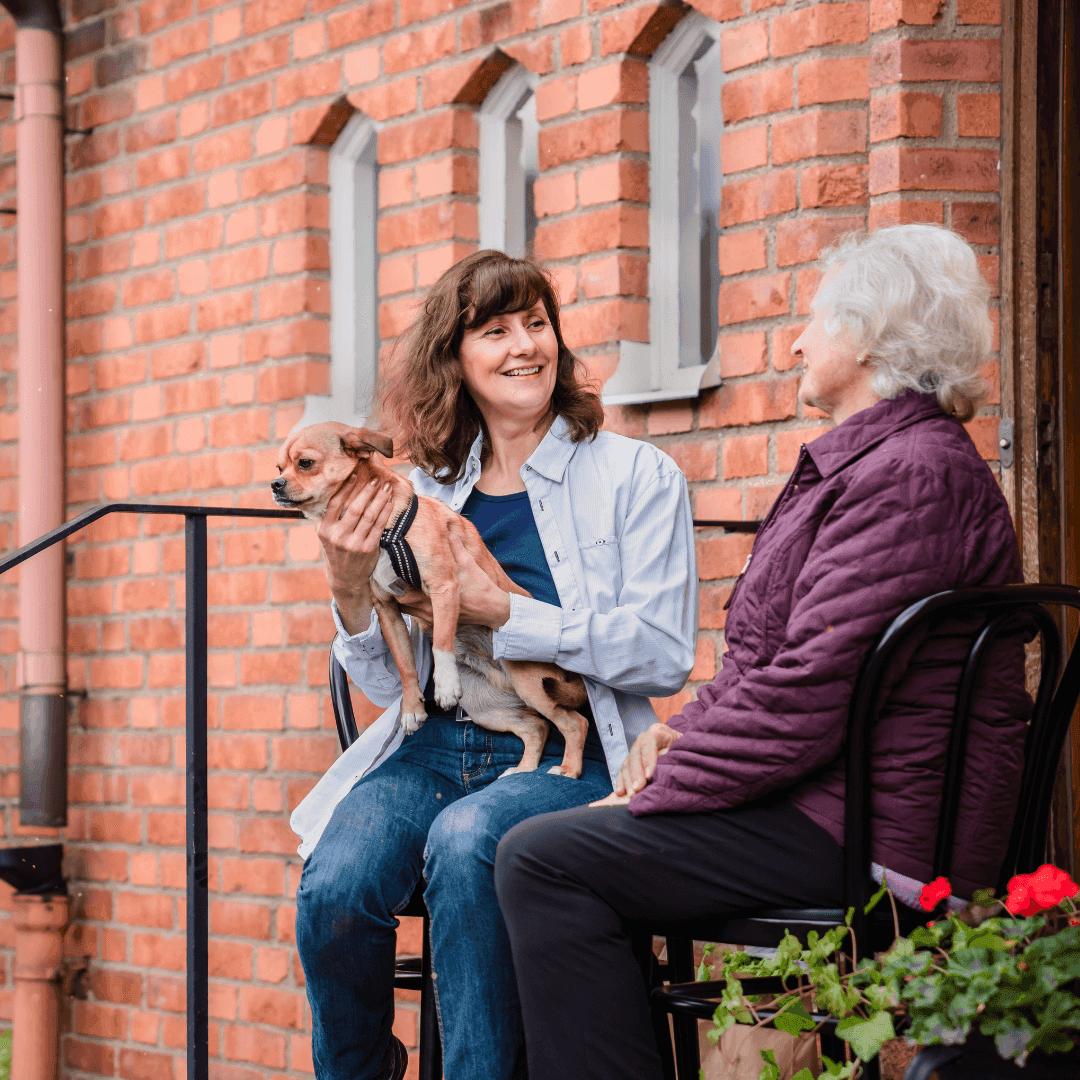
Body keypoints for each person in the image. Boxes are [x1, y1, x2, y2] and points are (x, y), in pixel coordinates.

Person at [494, 224, 1032, 1080]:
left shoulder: (909, 476)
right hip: (829, 804)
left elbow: (810, 690)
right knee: (552, 844)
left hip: (874, 834)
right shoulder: (879, 464)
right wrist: (678, 736)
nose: (795, 340)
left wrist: (664, 788)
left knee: (545, 858)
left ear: (867, 336)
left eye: (815, 319)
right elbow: (770, 665)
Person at [290, 250, 698, 1080]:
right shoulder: (425, 489)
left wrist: (508, 614)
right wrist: (347, 585)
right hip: (436, 747)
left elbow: (662, 655)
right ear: (456, 359)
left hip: (573, 751)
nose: (525, 346)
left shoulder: (634, 476)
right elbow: (381, 685)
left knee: (468, 839)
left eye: (537, 324)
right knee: (336, 880)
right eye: (495, 330)